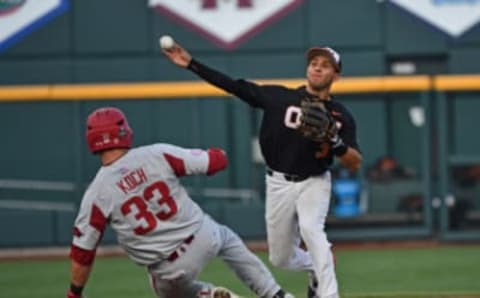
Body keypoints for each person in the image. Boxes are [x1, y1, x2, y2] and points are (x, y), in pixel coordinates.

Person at [163, 42, 362, 298]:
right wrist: (192, 64)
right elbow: (234, 86)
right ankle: (315, 268)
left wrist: (336, 141)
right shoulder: (280, 98)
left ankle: (328, 293)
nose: (317, 69)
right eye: (314, 64)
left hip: (314, 181)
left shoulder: (340, 115)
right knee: (280, 258)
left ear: (336, 75)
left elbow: (354, 162)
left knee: (313, 230)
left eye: (325, 66)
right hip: (278, 183)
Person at [66, 107, 294, 298]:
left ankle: (206, 295)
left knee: (179, 293)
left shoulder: (96, 193)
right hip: (202, 236)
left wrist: (74, 293)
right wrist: (219, 153)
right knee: (227, 240)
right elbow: (216, 162)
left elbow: (83, 252)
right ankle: (275, 294)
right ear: (124, 130)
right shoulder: (156, 154)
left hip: (167, 269)